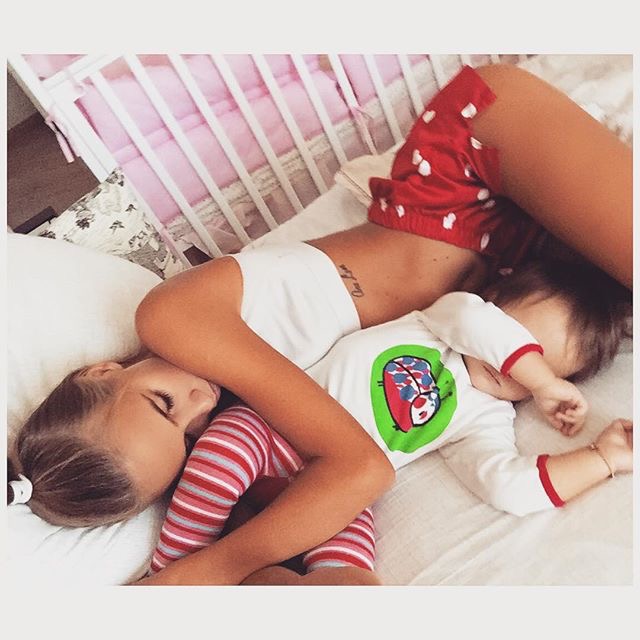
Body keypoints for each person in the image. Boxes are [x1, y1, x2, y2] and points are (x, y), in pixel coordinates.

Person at [7, 62, 632, 585]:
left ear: (101, 371)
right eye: (189, 436)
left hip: (464, 178)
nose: (200, 403)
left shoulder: (170, 319)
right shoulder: (232, 430)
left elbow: (362, 468)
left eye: (162, 402)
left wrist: (195, 574)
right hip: (524, 273)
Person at [144, 258, 632, 585]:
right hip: (271, 431)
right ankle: (174, 570)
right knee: (223, 451)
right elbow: (477, 324)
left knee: (354, 579)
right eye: (521, 345)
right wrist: (543, 381)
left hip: (337, 493)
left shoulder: (485, 417)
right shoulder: (441, 320)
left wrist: (603, 458)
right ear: (493, 299)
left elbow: (506, 484)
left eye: (545, 368)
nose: (514, 370)